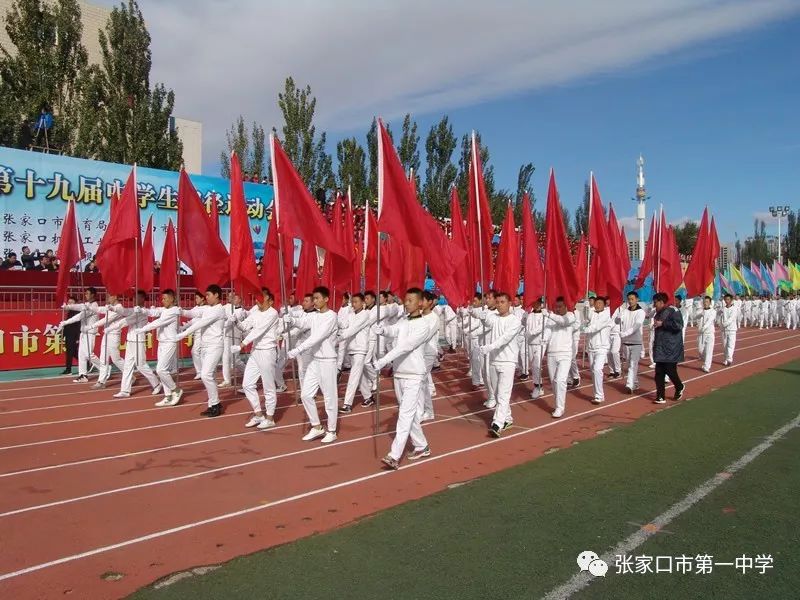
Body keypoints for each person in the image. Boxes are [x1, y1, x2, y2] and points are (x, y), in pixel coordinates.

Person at [374, 288, 432, 469]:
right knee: (410, 413)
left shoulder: (423, 325)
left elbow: (406, 346)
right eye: (405, 300)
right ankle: (422, 446)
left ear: (420, 303)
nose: (406, 303)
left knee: (405, 414)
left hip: (414, 375)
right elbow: (394, 331)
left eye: (410, 301)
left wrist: (384, 360)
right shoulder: (404, 321)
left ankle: (394, 455)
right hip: (399, 373)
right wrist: (382, 330)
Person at [285, 286, 339, 443]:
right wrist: (292, 320)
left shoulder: (331, 316)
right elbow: (303, 322)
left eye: (317, 298)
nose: (315, 301)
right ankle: (316, 427)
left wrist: (298, 349)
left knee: (329, 398)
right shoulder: (314, 316)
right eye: (313, 298)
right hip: (316, 360)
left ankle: (332, 430)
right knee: (306, 394)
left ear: (326, 299)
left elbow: (317, 336)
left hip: (328, 360)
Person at [232, 289, 281, 429]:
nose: (258, 300)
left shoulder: (273, 313)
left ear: (270, 301)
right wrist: (235, 320)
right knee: (247, 384)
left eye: (262, 298)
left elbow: (258, 330)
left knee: (268, 387)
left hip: (267, 352)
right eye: (257, 297)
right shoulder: (256, 312)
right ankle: (259, 415)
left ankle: (270, 418)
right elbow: (245, 326)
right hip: (255, 352)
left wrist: (241, 345)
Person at [176, 285, 227, 417]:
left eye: (209, 295)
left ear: (216, 295)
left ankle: (215, 404)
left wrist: (183, 334)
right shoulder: (206, 308)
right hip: (205, 346)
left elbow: (201, 323)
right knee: (211, 376)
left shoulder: (219, 310)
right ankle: (213, 404)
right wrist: (180, 311)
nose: (207, 297)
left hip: (215, 346)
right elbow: (193, 313)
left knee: (205, 375)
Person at [477, 292, 522, 436]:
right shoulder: (494, 318)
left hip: (508, 361)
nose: (500, 305)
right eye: (498, 302)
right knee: (497, 393)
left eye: (503, 302)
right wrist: (476, 311)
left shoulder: (515, 321)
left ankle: (497, 423)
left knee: (503, 394)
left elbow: (505, 338)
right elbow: (484, 318)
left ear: (509, 304)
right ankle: (507, 417)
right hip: (494, 360)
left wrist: (489, 347)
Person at [109, 291, 162, 399]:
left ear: (142, 299)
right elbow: (125, 311)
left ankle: (156, 383)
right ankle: (125, 390)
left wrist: (111, 327)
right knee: (128, 366)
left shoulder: (143, 312)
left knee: (141, 365)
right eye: (133, 298)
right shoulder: (134, 310)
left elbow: (126, 321)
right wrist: (114, 308)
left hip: (139, 341)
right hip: (130, 340)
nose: (134, 300)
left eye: (136, 298)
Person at [136, 289, 184, 407]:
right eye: (162, 299)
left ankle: (176, 390)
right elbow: (154, 312)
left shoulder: (173, 311)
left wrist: (143, 329)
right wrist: (142, 309)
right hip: (162, 342)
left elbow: (158, 322)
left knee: (160, 370)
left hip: (170, 342)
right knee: (163, 371)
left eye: (165, 298)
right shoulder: (164, 310)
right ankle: (168, 396)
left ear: (172, 299)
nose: (163, 301)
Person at [338, 293, 375, 413]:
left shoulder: (365, 315)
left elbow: (352, 329)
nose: (354, 304)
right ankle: (368, 397)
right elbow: (344, 325)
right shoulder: (350, 314)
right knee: (359, 376)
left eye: (356, 302)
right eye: (352, 302)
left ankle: (347, 404)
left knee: (353, 376)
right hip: (351, 348)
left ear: (363, 302)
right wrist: (334, 320)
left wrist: (338, 338)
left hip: (360, 349)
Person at [58, 287, 99, 383]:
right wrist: (68, 307)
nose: (85, 295)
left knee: (89, 355)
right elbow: (80, 307)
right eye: (85, 293)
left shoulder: (94, 306)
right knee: (81, 355)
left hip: (90, 333)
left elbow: (79, 315)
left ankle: (104, 368)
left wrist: (69, 309)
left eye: (87, 293)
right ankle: (83, 375)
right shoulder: (87, 305)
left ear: (93, 295)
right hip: (83, 333)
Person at [544, 297, 577, 418]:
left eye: (560, 306)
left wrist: (549, 315)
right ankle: (558, 404)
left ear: (565, 306)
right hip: (552, 353)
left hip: (565, 353)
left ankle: (560, 407)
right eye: (556, 306)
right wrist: (544, 339)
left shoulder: (571, 316)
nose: (557, 309)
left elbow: (563, 322)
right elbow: (548, 330)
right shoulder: (552, 317)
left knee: (560, 380)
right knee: (554, 382)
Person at [651, 292, 685, 404]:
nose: (654, 305)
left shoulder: (673, 311)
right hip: (660, 348)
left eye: (655, 302)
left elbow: (678, 326)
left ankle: (679, 386)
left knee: (670, 371)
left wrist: (663, 324)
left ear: (661, 302)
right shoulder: (658, 313)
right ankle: (660, 396)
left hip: (672, 347)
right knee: (659, 373)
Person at [88, 294, 126, 388]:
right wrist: (89, 307)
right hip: (106, 335)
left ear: (115, 297)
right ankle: (101, 381)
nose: (107, 298)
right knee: (103, 358)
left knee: (116, 359)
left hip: (114, 335)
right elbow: (100, 309)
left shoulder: (119, 308)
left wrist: (92, 326)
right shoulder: (110, 307)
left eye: (110, 296)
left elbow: (106, 319)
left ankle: (129, 373)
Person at [583, 296, 612, 404]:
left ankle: (599, 396)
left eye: (600, 303)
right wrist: (586, 307)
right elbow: (586, 317)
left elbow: (596, 327)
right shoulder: (593, 313)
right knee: (593, 372)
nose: (598, 305)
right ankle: (598, 394)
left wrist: (585, 329)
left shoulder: (607, 315)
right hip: (591, 348)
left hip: (602, 347)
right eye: (596, 303)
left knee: (597, 369)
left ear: (604, 305)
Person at [618, 291, 646, 393]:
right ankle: (635, 383)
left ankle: (629, 385)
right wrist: (618, 317)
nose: (630, 301)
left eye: (632, 299)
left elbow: (636, 326)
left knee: (633, 365)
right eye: (629, 299)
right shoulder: (625, 311)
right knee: (629, 364)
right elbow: (617, 321)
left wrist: (625, 333)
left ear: (637, 299)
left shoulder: (641, 312)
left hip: (636, 342)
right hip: (626, 343)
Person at [220, 293, 246, 389]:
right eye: (230, 296)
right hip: (227, 335)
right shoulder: (226, 307)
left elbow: (237, 320)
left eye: (234, 296)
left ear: (240, 299)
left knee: (235, 360)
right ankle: (227, 380)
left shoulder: (242, 311)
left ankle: (248, 371)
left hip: (236, 337)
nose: (231, 298)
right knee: (225, 358)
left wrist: (230, 320)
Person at [525, 298, 546, 399]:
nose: (536, 304)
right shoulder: (529, 314)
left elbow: (541, 328)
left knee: (537, 365)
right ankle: (538, 386)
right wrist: (523, 318)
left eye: (538, 303)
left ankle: (538, 387)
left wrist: (530, 333)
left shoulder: (544, 315)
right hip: (530, 343)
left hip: (540, 343)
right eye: (534, 302)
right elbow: (524, 325)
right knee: (533, 366)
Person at [696, 295, 716, 373]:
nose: (705, 303)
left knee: (709, 350)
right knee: (701, 350)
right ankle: (704, 360)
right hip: (701, 334)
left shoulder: (713, 311)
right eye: (704, 302)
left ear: (710, 303)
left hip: (709, 333)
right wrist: (701, 313)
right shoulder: (701, 311)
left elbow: (709, 321)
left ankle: (707, 366)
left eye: (707, 302)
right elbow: (695, 316)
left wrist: (704, 327)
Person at [61, 296, 81, 375]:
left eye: (71, 303)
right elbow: (67, 325)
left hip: (74, 336)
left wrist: (77, 338)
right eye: (68, 303)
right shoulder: (69, 312)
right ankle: (87, 363)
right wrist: (63, 334)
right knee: (73, 353)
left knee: (70, 352)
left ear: (75, 304)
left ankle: (68, 369)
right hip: (68, 335)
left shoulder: (77, 313)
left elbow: (78, 326)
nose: (69, 304)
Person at [720, 293, 739, 366]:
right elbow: (719, 317)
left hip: (732, 329)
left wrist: (724, 324)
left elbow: (731, 319)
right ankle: (725, 359)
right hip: (724, 330)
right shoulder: (723, 309)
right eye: (725, 299)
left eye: (728, 299)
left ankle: (729, 358)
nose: (727, 301)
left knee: (730, 345)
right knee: (724, 345)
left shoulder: (734, 309)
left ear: (731, 300)